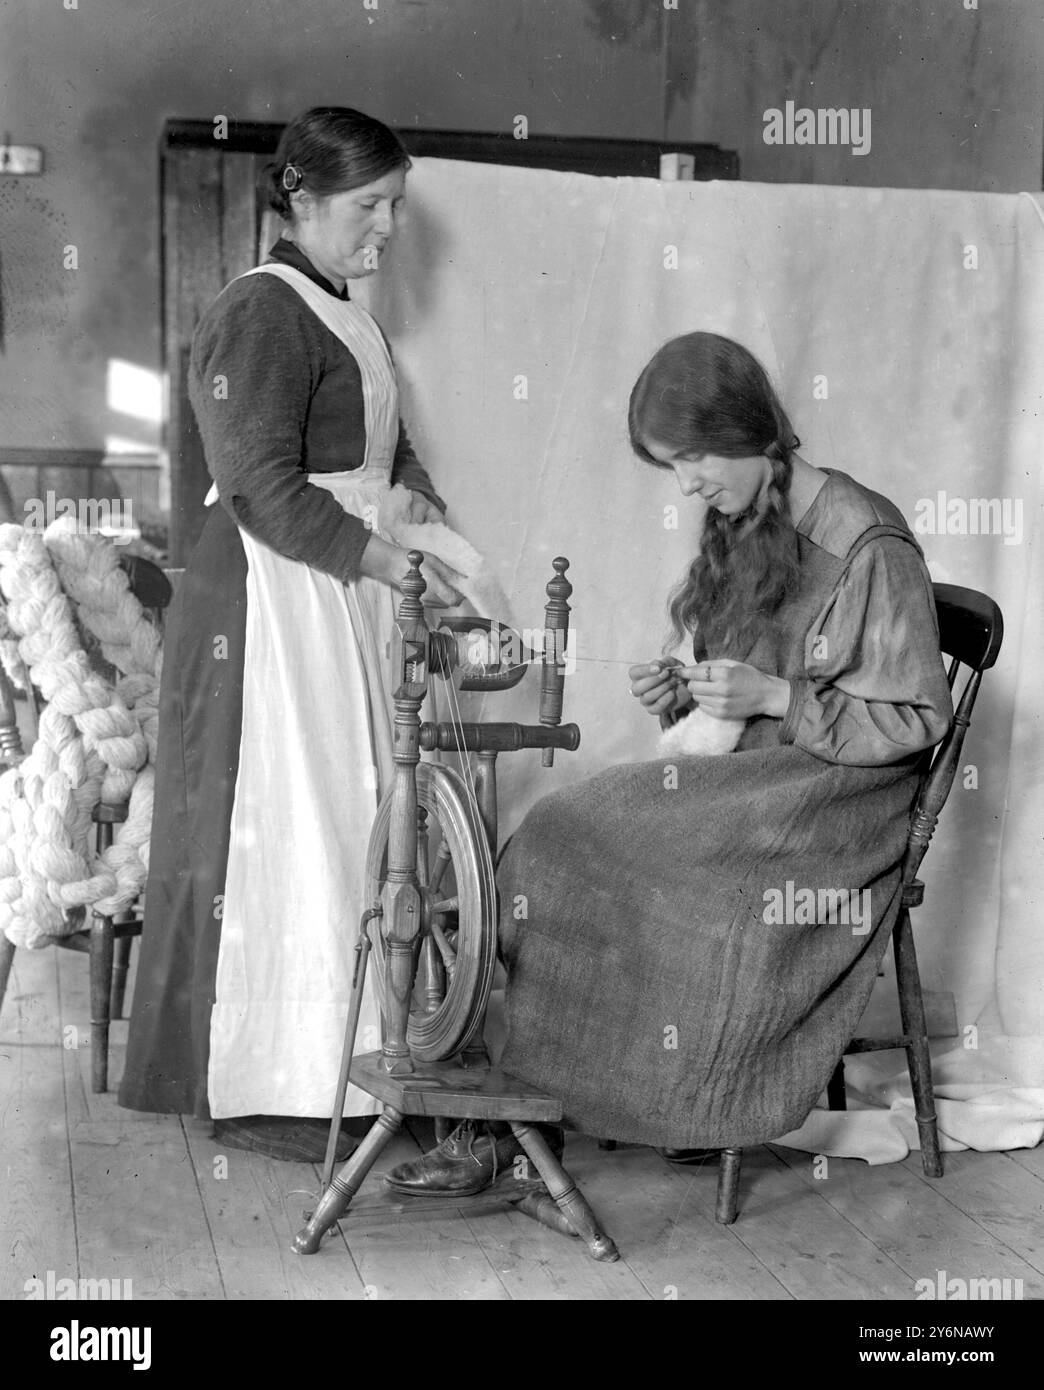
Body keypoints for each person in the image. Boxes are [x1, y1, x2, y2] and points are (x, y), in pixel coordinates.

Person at [385, 330, 953, 1195]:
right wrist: (681, 692)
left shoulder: (869, 541)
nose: (687, 485)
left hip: (838, 805)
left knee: (575, 833)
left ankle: (536, 1122)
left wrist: (773, 699)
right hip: (763, 779)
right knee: (571, 837)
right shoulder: (750, 516)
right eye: (672, 468)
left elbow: (915, 717)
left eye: (691, 460)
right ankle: (536, 1116)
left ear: (749, 431)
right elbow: (731, 676)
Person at [119, 107, 463, 1162]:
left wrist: (414, 510)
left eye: (397, 204)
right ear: (301, 197)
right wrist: (386, 559)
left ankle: (353, 1061)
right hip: (270, 600)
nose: (390, 227)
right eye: (371, 205)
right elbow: (262, 487)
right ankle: (270, 1068)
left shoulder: (341, 310)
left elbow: (386, 456)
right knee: (286, 821)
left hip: (339, 587)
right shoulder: (258, 313)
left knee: (354, 818)